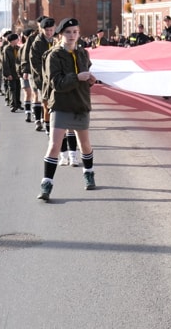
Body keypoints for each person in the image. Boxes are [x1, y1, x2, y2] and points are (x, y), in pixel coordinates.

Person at [37, 17, 98, 202]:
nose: (72, 36)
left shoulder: (83, 53)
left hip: (80, 104)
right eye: (68, 32)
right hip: (61, 104)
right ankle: (46, 184)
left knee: (84, 144)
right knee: (54, 145)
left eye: (75, 32)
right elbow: (57, 83)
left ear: (79, 34)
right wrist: (78, 77)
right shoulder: (54, 55)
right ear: (60, 35)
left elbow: (84, 79)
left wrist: (90, 81)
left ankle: (89, 172)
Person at [30, 17, 57, 133]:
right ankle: (46, 126)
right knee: (45, 102)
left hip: (54, 78)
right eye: (47, 30)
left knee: (53, 103)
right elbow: (35, 63)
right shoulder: (37, 43)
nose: (49, 33)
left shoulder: (56, 41)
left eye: (51, 30)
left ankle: (50, 124)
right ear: (42, 30)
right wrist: (45, 76)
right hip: (42, 79)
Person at [1, 33, 22, 112]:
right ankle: (13, 104)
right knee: (12, 88)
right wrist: (8, 74)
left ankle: (18, 104)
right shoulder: (7, 49)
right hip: (11, 72)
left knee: (18, 88)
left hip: (17, 72)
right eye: (17, 39)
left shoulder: (17, 48)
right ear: (12, 40)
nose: (18, 40)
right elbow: (5, 62)